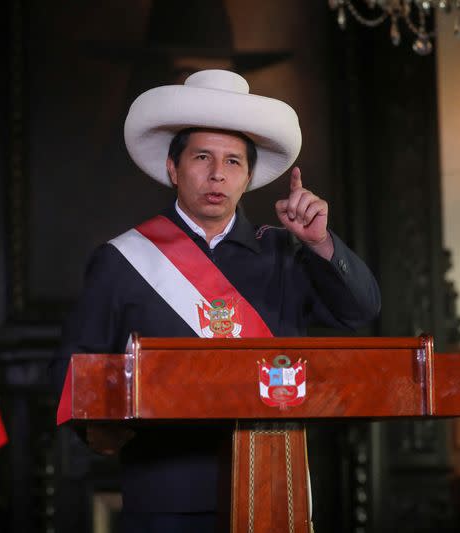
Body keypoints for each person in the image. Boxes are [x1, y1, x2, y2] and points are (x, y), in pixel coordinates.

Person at [53, 69, 380, 533]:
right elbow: (70, 367)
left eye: (232, 162)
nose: (216, 175)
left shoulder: (286, 254)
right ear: (173, 167)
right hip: (164, 494)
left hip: (274, 490)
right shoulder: (122, 259)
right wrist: (103, 431)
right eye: (202, 157)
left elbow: (361, 310)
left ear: (248, 177)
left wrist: (321, 242)